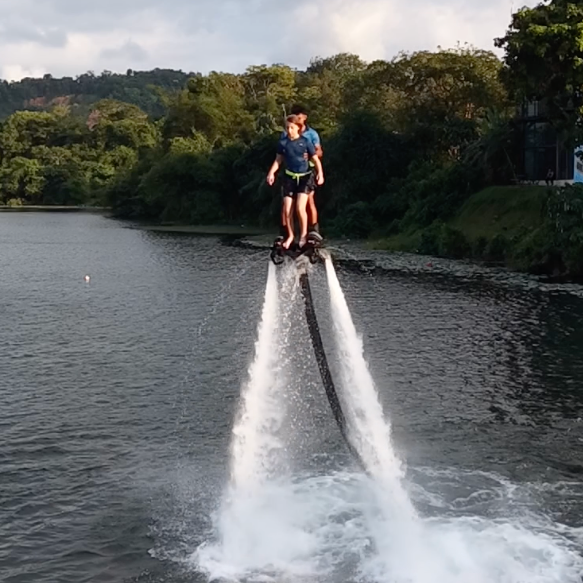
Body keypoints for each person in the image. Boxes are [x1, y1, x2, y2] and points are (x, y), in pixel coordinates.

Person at [267, 115, 324, 249]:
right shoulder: (283, 143)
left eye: (292, 128)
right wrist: (271, 173)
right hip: (289, 178)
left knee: (300, 208)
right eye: (287, 128)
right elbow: (278, 160)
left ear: (298, 128)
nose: (289, 130)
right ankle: (290, 236)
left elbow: (316, 160)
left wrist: (320, 174)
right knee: (287, 209)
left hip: (304, 177)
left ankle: (303, 235)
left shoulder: (305, 142)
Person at [280, 105, 323, 236]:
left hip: (307, 170)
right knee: (287, 204)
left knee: (309, 200)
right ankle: (286, 232)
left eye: (298, 117)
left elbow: (319, 152)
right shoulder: (286, 133)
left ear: (304, 117)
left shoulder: (312, 134)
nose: (296, 119)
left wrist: (309, 153)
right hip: (291, 172)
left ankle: (313, 230)